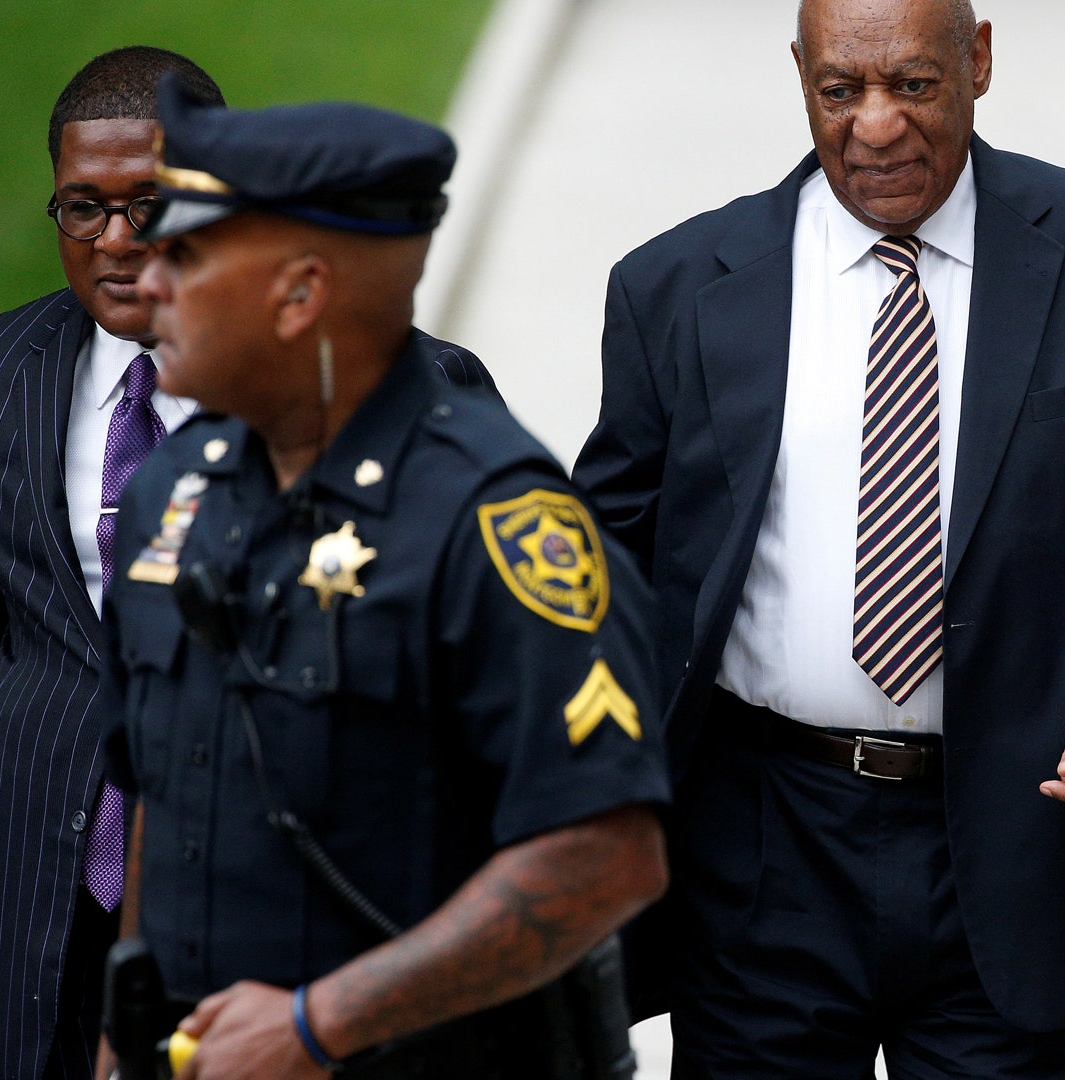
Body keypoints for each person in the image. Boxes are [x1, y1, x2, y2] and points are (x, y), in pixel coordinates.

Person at [570, 0, 1065, 1072]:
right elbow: (601, 569)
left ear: (978, 60)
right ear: (800, 74)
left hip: (1016, 843)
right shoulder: (676, 288)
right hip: (760, 854)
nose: (875, 126)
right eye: (841, 91)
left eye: (914, 86)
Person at [0, 49, 499, 1080]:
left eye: (147, 207)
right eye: (81, 208)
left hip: (268, 904)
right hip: (17, 891)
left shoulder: (413, 391)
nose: (113, 242)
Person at [95, 78, 667, 1078]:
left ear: (301, 293)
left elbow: (605, 860)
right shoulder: (173, 494)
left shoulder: (495, 524)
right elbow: (158, 787)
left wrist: (318, 1025)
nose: (148, 281)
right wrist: (123, 1035)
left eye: (185, 253)